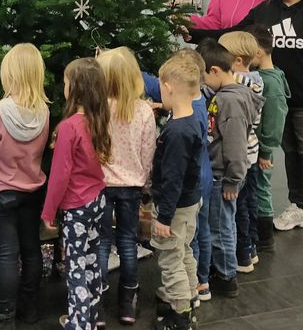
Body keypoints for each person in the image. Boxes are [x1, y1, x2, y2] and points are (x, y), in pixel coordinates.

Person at [190, 0, 303, 252]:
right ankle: (300, 206)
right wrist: (195, 33)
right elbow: (233, 32)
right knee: (292, 152)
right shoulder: (267, 10)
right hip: (279, 97)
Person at [0, 43, 50, 330]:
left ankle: (3, 315)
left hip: (0, 193)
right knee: (31, 249)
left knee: (7, 252)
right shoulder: (43, 111)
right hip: (32, 190)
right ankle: (29, 309)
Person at [41, 58, 110, 330]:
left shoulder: (69, 127)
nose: (64, 86)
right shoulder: (99, 120)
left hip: (77, 207)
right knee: (91, 261)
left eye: (67, 82)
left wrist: (48, 212)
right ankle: (90, 317)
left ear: (77, 88)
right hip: (97, 200)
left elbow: (59, 176)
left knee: (75, 267)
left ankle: (79, 324)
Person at [95, 48, 155, 325]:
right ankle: (128, 302)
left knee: (102, 243)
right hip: (132, 185)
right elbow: (148, 151)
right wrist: (146, 181)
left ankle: (95, 301)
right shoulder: (143, 110)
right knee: (129, 243)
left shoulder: (97, 109)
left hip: (101, 185)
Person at [196, 39, 260, 299]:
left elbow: (235, 146)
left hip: (225, 177)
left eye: (203, 77)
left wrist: (233, 180)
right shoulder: (224, 95)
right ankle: (223, 268)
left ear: (215, 71)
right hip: (221, 174)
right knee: (221, 223)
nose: (202, 84)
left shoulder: (230, 102)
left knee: (221, 226)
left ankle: (226, 276)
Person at [151, 53, 204, 330]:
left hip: (175, 207)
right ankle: (191, 298)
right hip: (190, 202)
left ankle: (180, 315)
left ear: (169, 86)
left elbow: (172, 179)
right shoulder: (192, 118)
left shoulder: (177, 132)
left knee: (170, 259)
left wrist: (163, 218)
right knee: (184, 251)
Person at [217, 31, 264, 273]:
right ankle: (252, 248)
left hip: (240, 153)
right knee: (249, 202)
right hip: (252, 153)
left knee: (238, 208)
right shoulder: (257, 79)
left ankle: (242, 254)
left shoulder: (236, 82)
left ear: (235, 60)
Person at [245, 24, 289, 252]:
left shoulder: (270, 84)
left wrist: (266, 151)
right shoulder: (265, 77)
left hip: (263, 149)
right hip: (259, 147)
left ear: (258, 53)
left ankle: (265, 237)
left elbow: (274, 122)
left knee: (262, 187)